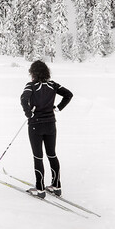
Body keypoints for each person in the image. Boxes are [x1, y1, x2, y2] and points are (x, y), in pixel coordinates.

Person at [19, 59, 73, 199]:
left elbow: (23, 99)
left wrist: (29, 113)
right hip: (50, 125)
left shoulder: (31, 85)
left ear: (33, 73)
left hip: (35, 125)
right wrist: (58, 108)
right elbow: (69, 94)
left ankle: (40, 189)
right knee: (52, 155)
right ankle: (56, 186)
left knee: (38, 157)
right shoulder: (53, 85)